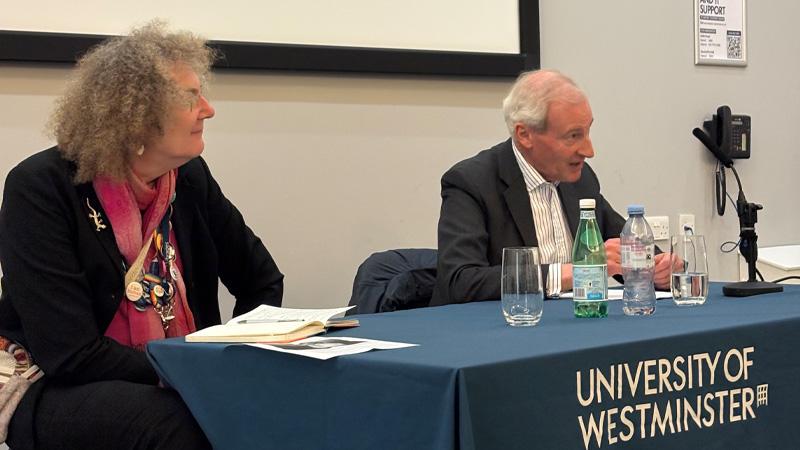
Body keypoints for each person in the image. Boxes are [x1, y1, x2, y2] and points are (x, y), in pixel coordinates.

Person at [0, 22, 283, 449]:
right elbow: (70, 354)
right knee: (179, 422)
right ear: (134, 115)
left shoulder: (188, 178)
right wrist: (189, 371)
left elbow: (261, 279)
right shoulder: (41, 187)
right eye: (190, 97)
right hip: (52, 385)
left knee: (283, 401)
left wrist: (234, 360)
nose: (208, 109)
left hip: (173, 373)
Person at [431, 69, 672, 306]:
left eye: (588, 131)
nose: (589, 151)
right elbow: (460, 281)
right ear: (524, 135)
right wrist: (574, 273)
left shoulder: (580, 178)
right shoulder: (471, 183)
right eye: (573, 136)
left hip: (574, 325)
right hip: (499, 331)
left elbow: (621, 248)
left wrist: (659, 267)